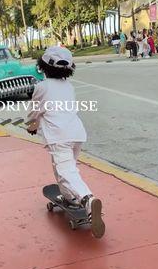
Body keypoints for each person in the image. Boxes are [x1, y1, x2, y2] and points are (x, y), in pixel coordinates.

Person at [26, 46, 105, 238]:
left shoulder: (42, 87)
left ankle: (88, 199)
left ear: (43, 66)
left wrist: (31, 126)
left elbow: (34, 112)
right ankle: (70, 198)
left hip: (58, 136)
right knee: (67, 170)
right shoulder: (69, 86)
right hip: (76, 134)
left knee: (66, 171)